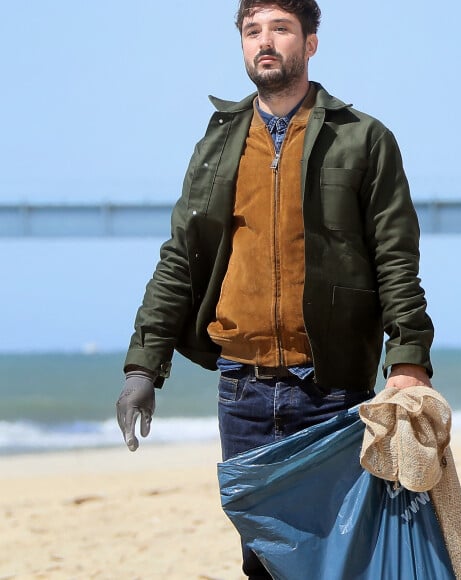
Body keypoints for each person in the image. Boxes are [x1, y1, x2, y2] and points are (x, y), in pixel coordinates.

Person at [116, 1, 434, 577]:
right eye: (252, 30)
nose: (265, 41)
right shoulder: (217, 146)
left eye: (281, 29)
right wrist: (143, 367)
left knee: (338, 560)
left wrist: (408, 360)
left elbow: (396, 258)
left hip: (333, 391)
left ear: (310, 43)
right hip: (243, 393)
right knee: (263, 562)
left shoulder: (363, 139)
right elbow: (180, 259)